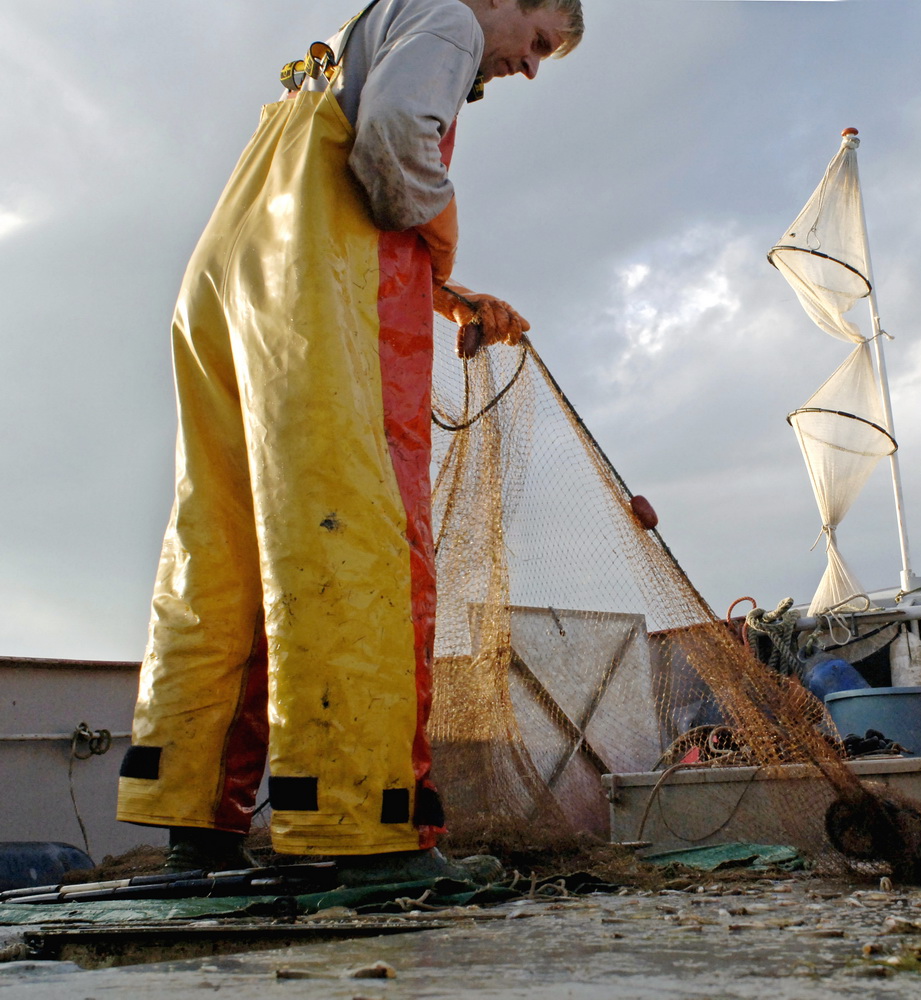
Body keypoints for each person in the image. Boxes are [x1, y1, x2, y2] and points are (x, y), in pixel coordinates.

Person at [115, 0, 583, 881]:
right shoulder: (446, 20)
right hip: (315, 299)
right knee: (359, 539)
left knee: (219, 549)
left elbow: (340, 169)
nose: (528, 67)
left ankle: (192, 821)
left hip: (226, 287)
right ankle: (359, 834)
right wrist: (438, 254)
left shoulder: (353, 36)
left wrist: (445, 295)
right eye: (538, 43)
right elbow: (395, 140)